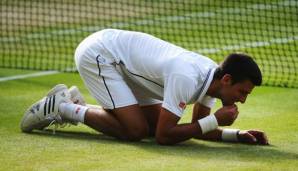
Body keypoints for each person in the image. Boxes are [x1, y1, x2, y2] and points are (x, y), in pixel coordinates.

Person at [21, 29, 269, 145]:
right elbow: (166, 136)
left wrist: (236, 135)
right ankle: (63, 107)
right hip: (100, 55)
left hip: (127, 66)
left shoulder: (212, 80)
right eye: (242, 92)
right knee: (136, 130)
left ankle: (75, 104)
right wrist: (215, 121)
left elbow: (198, 128)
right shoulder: (188, 77)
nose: (243, 100)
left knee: (150, 125)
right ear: (227, 80)